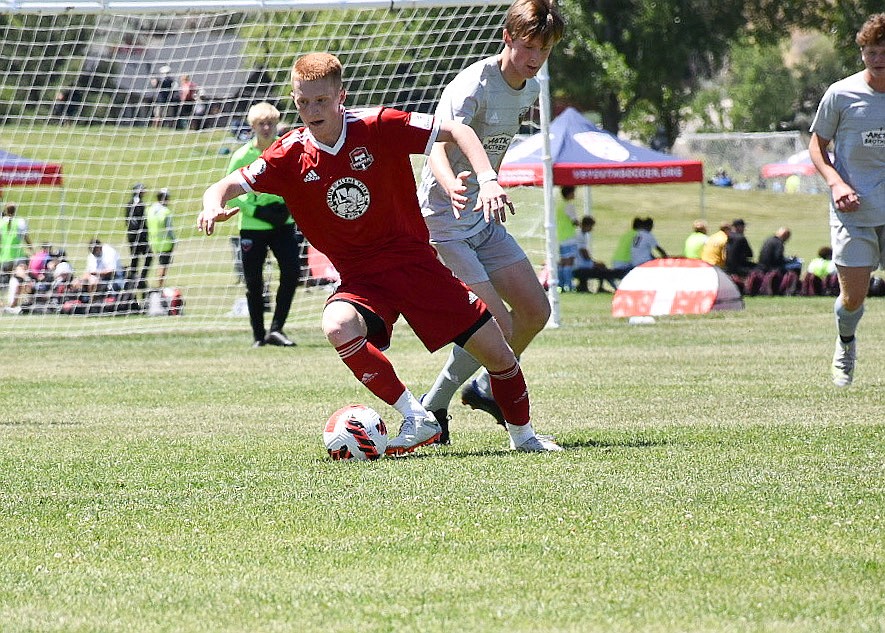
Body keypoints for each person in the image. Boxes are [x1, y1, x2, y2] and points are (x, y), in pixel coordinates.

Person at [197, 52, 561, 454]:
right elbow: (225, 185)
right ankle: (418, 417)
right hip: (362, 280)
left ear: (341, 97)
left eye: (321, 101)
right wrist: (212, 203)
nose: (311, 110)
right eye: (303, 102)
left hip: (415, 265)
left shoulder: (378, 124)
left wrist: (489, 178)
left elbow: (458, 130)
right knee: (337, 325)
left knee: (500, 353)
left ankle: (524, 437)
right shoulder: (288, 154)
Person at [415, 0, 565, 444]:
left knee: (536, 311)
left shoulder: (531, 89)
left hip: (484, 214)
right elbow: (435, 145)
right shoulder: (471, 85)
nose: (535, 58)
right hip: (444, 218)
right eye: (528, 47)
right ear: (508, 38)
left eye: (544, 49)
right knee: (495, 323)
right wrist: (455, 185)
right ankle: (438, 402)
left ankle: (477, 390)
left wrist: (489, 187)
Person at [809, 13, 885, 387]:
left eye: (884, 51)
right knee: (853, 298)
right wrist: (836, 183)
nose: (878, 58)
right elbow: (817, 146)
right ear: (862, 53)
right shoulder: (841, 94)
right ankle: (846, 341)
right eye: (871, 51)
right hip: (853, 211)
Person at [225, 101, 304, 348]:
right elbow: (230, 189)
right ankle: (258, 335)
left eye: (271, 123)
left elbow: (299, 180)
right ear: (252, 126)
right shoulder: (241, 156)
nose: (267, 127)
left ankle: (277, 329)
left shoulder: (286, 151)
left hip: (283, 223)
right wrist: (255, 209)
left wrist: (287, 206)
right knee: (253, 282)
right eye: (262, 123)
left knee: (292, 273)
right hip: (253, 226)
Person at [572, 215, 619, 293]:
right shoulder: (579, 235)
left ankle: (607, 287)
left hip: (579, 262)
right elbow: (583, 252)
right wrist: (593, 262)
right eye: (591, 226)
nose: (592, 229)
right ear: (587, 225)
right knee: (602, 266)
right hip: (579, 264)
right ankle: (606, 287)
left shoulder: (580, 234)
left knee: (600, 265)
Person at [753, 227, 802, 296]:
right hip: (773, 268)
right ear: (785, 236)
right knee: (797, 265)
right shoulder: (779, 243)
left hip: (762, 266)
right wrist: (790, 260)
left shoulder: (768, 240)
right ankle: (792, 288)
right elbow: (778, 259)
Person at [124, 182, 153, 294]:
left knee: (135, 258)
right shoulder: (139, 203)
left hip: (131, 235)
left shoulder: (129, 203)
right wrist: (144, 233)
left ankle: (133, 280)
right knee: (148, 256)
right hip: (139, 235)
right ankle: (140, 278)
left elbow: (127, 220)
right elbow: (139, 221)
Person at [146, 188, 175, 289]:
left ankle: (159, 283)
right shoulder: (165, 211)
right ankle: (160, 286)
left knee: (160, 263)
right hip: (165, 242)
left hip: (154, 242)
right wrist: (174, 240)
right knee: (163, 264)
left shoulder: (150, 209)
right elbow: (169, 228)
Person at [1, 203, 32, 291]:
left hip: (4, 257)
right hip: (18, 255)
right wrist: (32, 250)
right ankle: (27, 279)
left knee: (9, 281)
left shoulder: (1, 222)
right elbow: (26, 238)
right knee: (19, 273)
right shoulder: (20, 221)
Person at [555, 185, 579, 292]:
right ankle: (568, 285)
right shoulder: (569, 206)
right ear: (569, 193)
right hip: (569, 237)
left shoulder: (558, 206)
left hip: (560, 236)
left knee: (562, 262)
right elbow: (575, 221)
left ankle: (560, 284)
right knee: (569, 262)